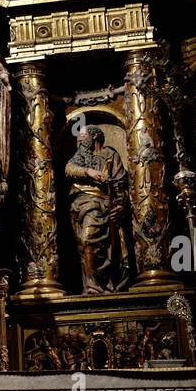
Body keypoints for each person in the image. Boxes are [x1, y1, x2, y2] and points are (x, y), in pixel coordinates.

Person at [65, 125, 129, 293]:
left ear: (94, 137)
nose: (79, 139)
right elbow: (69, 169)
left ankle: (98, 285)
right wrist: (89, 171)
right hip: (79, 205)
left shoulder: (109, 154)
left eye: (83, 136)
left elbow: (120, 181)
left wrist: (121, 204)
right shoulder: (81, 156)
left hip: (99, 204)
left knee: (90, 240)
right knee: (82, 245)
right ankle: (92, 285)